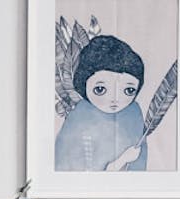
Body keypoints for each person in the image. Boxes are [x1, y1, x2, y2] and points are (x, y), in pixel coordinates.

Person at [55, 35, 149, 172]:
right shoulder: (79, 116)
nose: (115, 99)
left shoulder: (133, 111)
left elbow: (142, 155)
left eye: (129, 90)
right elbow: (68, 167)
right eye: (100, 89)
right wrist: (121, 162)